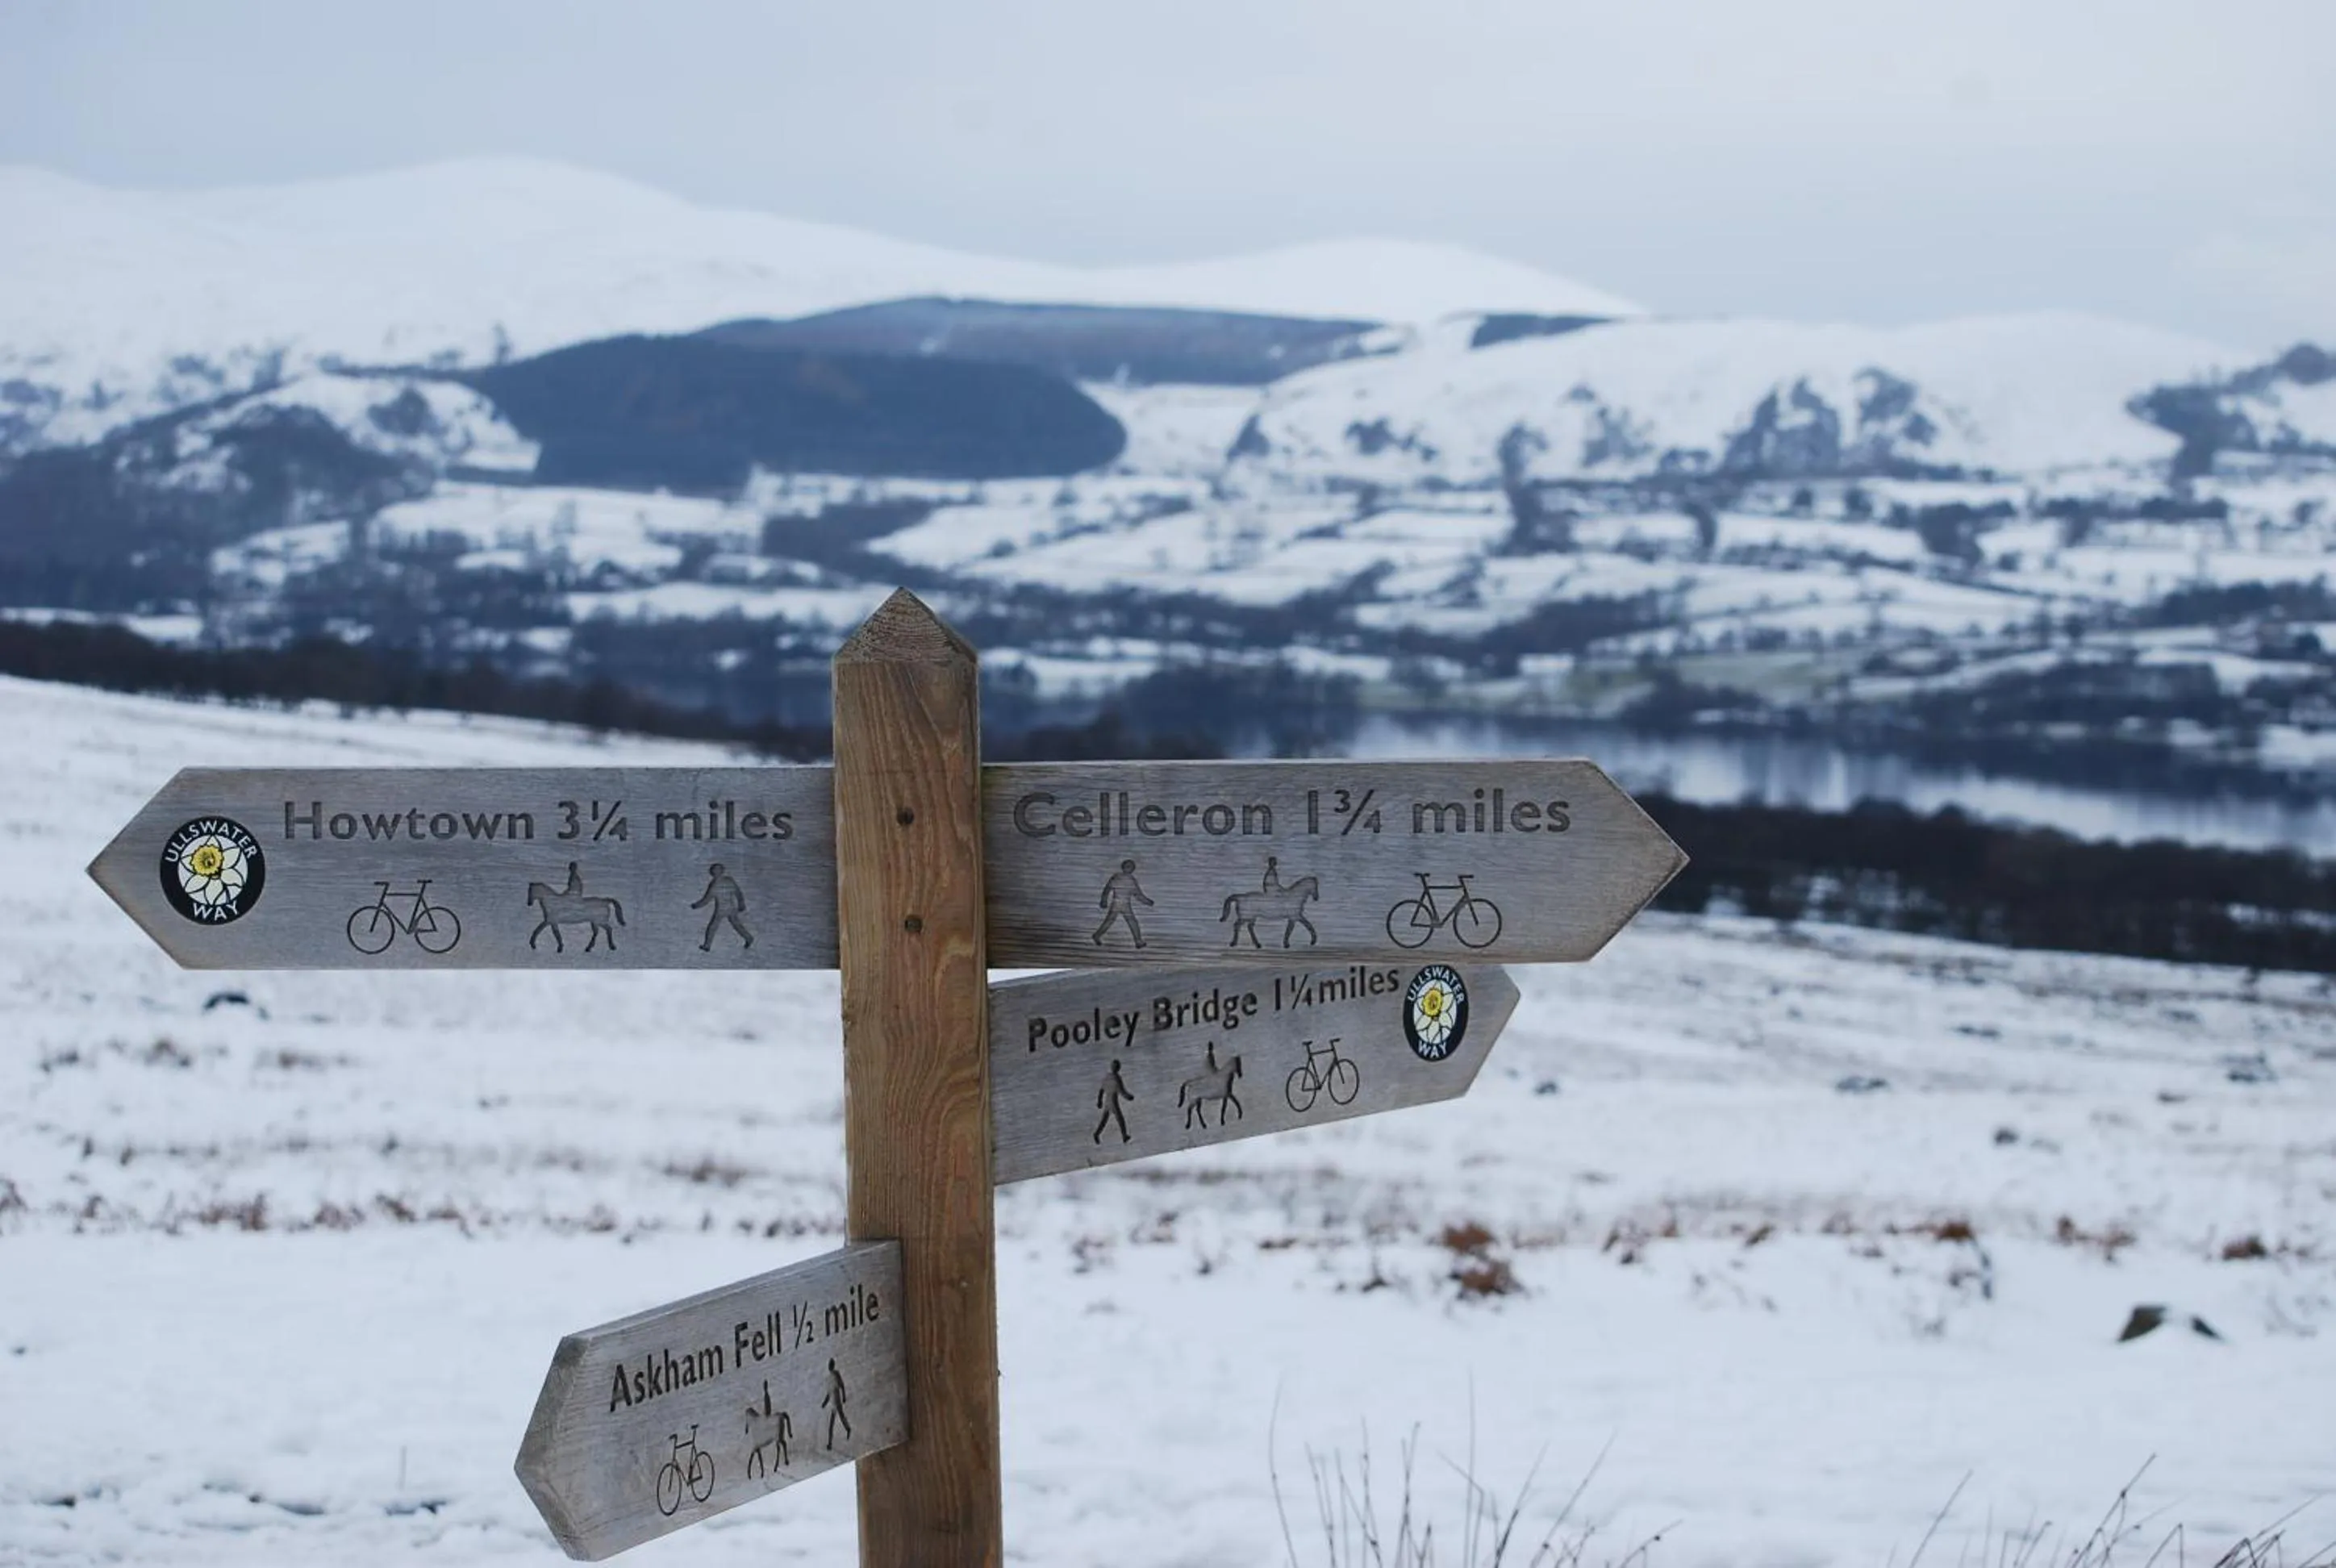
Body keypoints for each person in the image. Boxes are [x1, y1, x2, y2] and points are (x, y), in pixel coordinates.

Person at [1092, 859, 1154, 948]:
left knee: (1123, 921)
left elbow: (1137, 894)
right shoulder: (1122, 878)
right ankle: (1138, 941)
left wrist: (1147, 901)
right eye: (1128, 866)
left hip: (1122, 903)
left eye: (1130, 867)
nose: (1129, 868)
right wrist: (1104, 900)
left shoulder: (1124, 879)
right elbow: (1108, 889)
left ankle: (1138, 941)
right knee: (1126, 921)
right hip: (1120, 903)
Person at [692, 862, 753, 952]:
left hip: (721, 910)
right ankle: (749, 938)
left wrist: (696, 906)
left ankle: (707, 946)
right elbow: (738, 893)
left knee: (713, 927)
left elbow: (706, 900)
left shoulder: (714, 886)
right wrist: (741, 904)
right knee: (737, 925)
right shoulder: (730, 880)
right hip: (732, 908)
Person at [1094, 1059, 1135, 1144]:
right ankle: (1124, 1136)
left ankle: (1096, 1134)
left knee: (1104, 1120)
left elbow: (1101, 1090)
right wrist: (1129, 1097)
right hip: (1113, 1102)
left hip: (1107, 1101)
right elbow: (1121, 1091)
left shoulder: (1107, 1077)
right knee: (1120, 1119)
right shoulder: (1117, 1078)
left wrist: (1099, 1101)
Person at [823, 1358, 852, 1449]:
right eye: (830, 1364)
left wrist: (844, 1397)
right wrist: (825, 1402)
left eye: (831, 1364)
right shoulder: (828, 1378)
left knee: (841, 1418)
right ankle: (830, 1443)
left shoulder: (836, 1374)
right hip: (833, 1403)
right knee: (832, 1424)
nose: (830, 1366)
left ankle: (848, 1429)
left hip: (837, 1401)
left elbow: (842, 1386)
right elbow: (829, 1393)